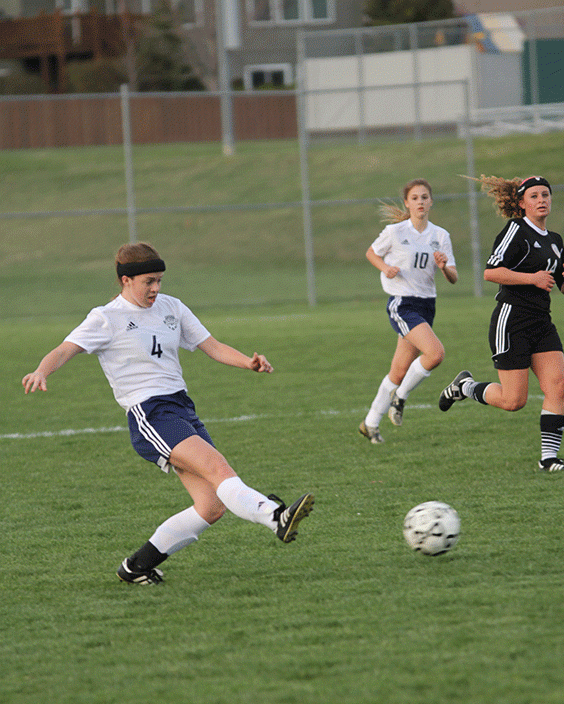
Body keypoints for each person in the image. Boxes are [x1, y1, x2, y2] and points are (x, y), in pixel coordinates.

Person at [22, 242, 314, 584]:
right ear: (126, 280)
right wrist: (43, 370)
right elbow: (63, 349)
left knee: (210, 507)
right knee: (218, 469)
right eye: (149, 281)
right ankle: (275, 515)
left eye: (159, 280)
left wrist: (247, 363)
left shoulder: (172, 308)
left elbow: (212, 346)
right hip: (149, 413)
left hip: (181, 408)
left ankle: (135, 567)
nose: (156, 289)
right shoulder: (106, 318)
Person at [439, 175, 564, 472]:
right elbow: (491, 272)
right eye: (534, 196)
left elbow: (562, 289)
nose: (541, 200)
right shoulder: (516, 230)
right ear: (521, 204)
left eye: (545, 194)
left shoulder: (554, 241)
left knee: (557, 386)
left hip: (542, 321)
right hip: (511, 320)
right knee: (514, 400)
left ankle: (549, 459)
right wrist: (531, 278)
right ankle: (465, 387)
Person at [359, 178, 458, 444]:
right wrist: (385, 268)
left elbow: (454, 278)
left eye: (425, 197)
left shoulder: (440, 236)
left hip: (427, 304)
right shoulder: (395, 231)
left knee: (399, 370)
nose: (420, 202)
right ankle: (400, 398)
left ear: (431, 201)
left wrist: (444, 267)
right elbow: (371, 252)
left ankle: (370, 423)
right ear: (407, 203)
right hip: (402, 303)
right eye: (415, 198)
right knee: (435, 354)